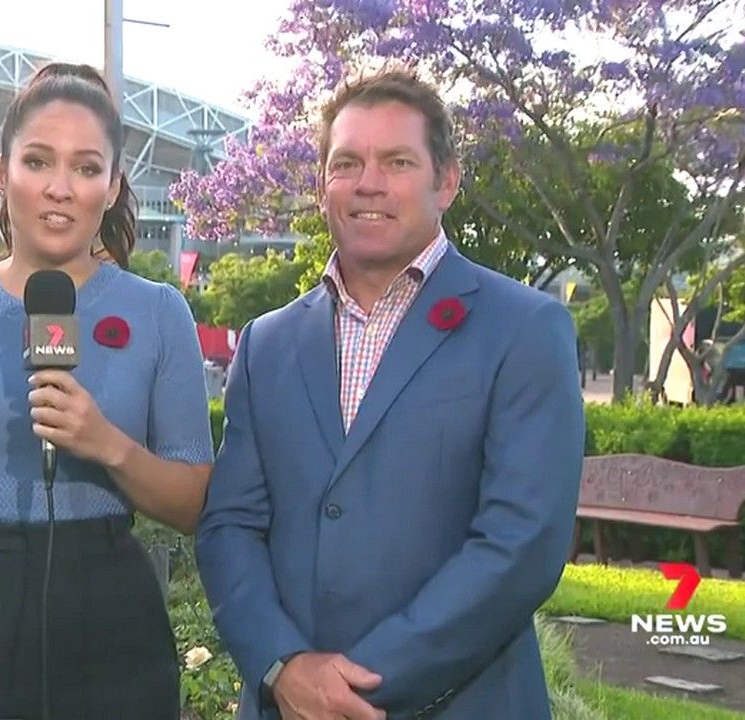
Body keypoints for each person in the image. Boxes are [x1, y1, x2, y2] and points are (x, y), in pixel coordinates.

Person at [195, 67, 585, 720]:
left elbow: (522, 543)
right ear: (323, 184)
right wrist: (284, 667)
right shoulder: (268, 343)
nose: (368, 183)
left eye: (397, 162)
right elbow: (230, 524)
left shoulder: (525, 329)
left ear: (447, 181)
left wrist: (355, 688)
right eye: (347, 163)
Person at [0, 62, 214, 720]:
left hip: (114, 632)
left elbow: (195, 501)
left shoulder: (160, 313)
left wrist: (108, 445)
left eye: (86, 168)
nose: (60, 188)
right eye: (37, 161)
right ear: (1, 174)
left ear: (112, 186)